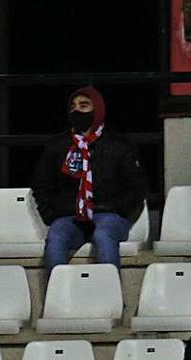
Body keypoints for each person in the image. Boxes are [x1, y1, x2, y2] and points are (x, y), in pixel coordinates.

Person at [31, 86, 147, 273]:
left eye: (84, 106)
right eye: (73, 107)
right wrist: (51, 214)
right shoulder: (57, 146)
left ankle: (111, 297)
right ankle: (56, 296)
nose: (77, 111)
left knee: (104, 235)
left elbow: (137, 188)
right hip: (70, 215)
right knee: (56, 237)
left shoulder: (119, 145)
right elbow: (42, 184)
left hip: (108, 214)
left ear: (97, 110)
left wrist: (118, 210)